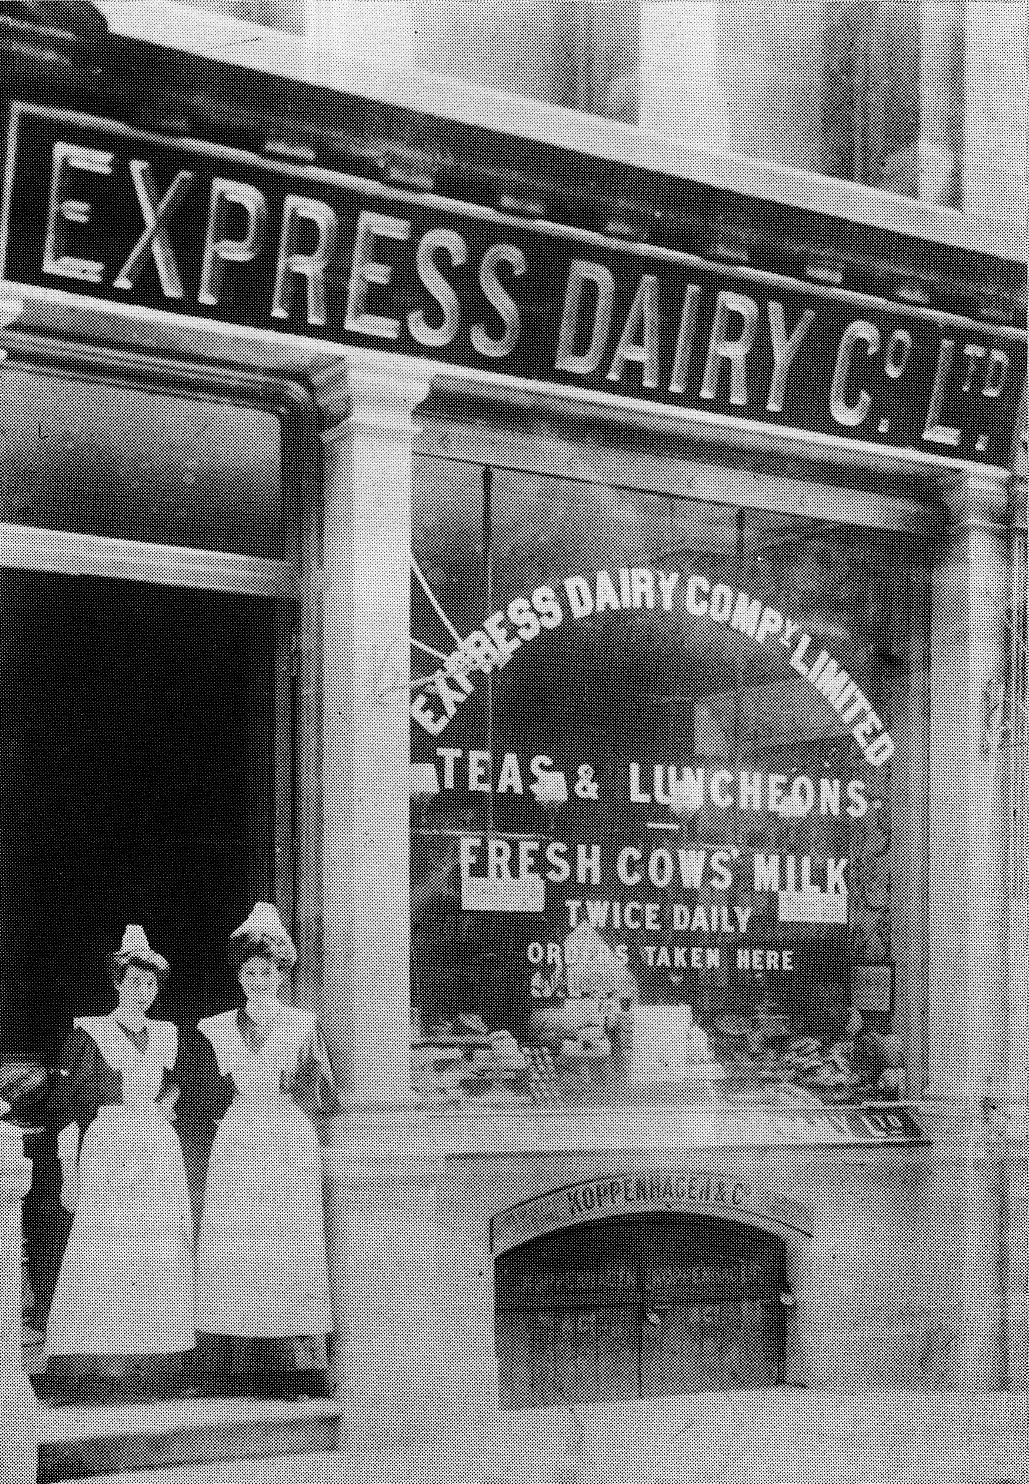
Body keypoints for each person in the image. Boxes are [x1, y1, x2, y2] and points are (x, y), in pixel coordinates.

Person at [192, 903, 338, 1398]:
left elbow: (326, 1090)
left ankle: (290, 1361)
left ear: (283, 973)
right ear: (241, 975)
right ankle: (235, 1358)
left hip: (286, 1137)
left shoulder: (303, 1024)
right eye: (252, 971)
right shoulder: (218, 1029)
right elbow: (202, 1097)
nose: (261, 980)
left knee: (285, 1239)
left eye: (271, 970)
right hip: (240, 1136)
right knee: (241, 1239)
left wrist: (303, 1089)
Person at [43, 926, 194, 1401]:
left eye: (149, 983)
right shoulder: (91, 1030)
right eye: (132, 980)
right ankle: (95, 1365)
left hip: (155, 1147)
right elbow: (73, 1108)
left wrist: (166, 1110)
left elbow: (174, 1091)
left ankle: (151, 1362)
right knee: (107, 1249)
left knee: (153, 1248)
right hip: (109, 1146)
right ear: (117, 981)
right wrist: (70, 1167)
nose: (140, 990)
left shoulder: (169, 1034)